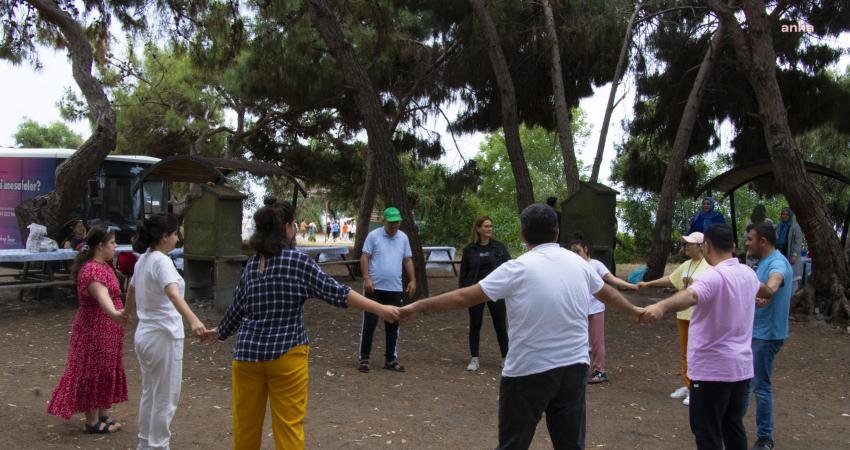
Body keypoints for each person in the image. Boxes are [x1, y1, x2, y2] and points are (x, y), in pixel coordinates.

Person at [400, 204, 645, 449]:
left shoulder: (517, 268)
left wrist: (419, 306)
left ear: (523, 235)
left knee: (513, 444)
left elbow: (464, 297)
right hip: (574, 367)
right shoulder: (579, 263)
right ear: (557, 233)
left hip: (529, 371)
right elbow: (606, 293)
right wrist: (634, 311)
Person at [205, 199, 400, 449]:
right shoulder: (298, 261)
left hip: (246, 357)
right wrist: (381, 308)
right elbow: (338, 293)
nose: (295, 228)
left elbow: (238, 308)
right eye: (293, 224)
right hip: (286, 356)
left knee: (245, 428)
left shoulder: (252, 264)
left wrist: (219, 332)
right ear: (286, 228)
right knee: (288, 429)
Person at [641, 223, 759, 450]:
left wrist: (662, 307)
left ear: (706, 246)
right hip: (741, 368)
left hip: (712, 370)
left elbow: (691, 295)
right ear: (733, 246)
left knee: (707, 432)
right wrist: (770, 290)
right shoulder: (747, 273)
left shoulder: (713, 276)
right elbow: (762, 288)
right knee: (732, 425)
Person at [126, 212, 209, 450]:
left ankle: (146, 443)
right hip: (163, 336)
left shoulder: (144, 259)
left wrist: (126, 312)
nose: (177, 238)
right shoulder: (161, 261)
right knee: (166, 397)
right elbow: (173, 293)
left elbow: (131, 289)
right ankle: (158, 445)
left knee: (151, 392)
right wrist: (193, 320)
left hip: (146, 334)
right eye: (175, 234)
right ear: (164, 237)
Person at [47, 226, 128, 433]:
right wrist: (115, 314)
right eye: (112, 243)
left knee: (105, 370)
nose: (115, 246)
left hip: (108, 331)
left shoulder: (105, 266)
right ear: (100, 246)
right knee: (92, 371)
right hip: (94, 330)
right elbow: (102, 298)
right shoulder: (92, 270)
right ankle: (92, 422)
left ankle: (102, 415)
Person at [637, 232, 712, 406]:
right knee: (685, 352)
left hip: (700, 316)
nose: (685, 247)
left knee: (698, 352)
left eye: (689, 244)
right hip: (683, 314)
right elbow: (671, 280)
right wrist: (648, 283)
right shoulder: (686, 265)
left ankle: (697, 388)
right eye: (685, 243)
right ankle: (688, 385)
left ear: (700, 246)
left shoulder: (709, 267)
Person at [745, 223, 793, 450]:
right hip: (756, 332)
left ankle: (765, 438)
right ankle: (731, 424)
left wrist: (769, 291)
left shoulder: (776, 262)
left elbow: (775, 280)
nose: (747, 243)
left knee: (760, 385)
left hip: (767, 336)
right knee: (745, 382)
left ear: (762, 241)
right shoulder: (762, 262)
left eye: (750, 239)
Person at [568, 234, 638, 384]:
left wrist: (631, 285)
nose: (575, 255)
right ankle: (580, 370)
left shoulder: (596, 265)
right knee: (579, 340)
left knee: (597, 341)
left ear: (585, 249)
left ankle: (600, 371)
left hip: (596, 309)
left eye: (578, 251)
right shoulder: (572, 266)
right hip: (579, 309)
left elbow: (611, 279)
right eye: (572, 252)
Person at [358, 206, 416, 373]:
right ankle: (364, 359)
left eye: (397, 222)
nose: (394, 225)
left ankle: (390, 359)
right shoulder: (373, 236)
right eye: (391, 222)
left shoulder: (403, 238)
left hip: (394, 288)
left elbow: (407, 260)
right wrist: (366, 278)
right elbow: (365, 257)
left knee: (393, 325)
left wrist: (412, 280)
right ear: (383, 221)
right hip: (374, 288)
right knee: (369, 323)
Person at [459, 216, 511, 371]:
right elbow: (464, 274)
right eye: (486, 226)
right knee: (475, 324)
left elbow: (509, 267)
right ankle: (474, 359)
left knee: (500, 325)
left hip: (496, 292)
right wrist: (463, 292)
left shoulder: (499, 248)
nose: (489, 229)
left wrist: (508, 288)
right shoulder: (469, 250)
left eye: (491, 226)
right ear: (478, 229)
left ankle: (505, 358)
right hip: (475, 292)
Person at [774, 208, 803, 292]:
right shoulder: (778, 226)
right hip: (780, 255)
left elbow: (797, 242)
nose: (785, 216)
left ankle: (792, 297)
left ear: (790, 216)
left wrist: (794, 255)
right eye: (783, 214)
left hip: (790, 255)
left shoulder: (795, 226)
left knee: (792, 277)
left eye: (787, 214)